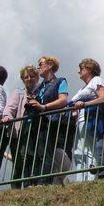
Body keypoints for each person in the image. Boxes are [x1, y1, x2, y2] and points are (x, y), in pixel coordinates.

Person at [25, 56, 71, 185]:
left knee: (46, 152)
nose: (38, 67)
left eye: (41, 64)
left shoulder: (60, 81)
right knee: (34, 152)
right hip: (36, 122)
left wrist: (44, 106)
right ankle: (33, 182)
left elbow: (63, 100)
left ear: (50, 65)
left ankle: (44, 182)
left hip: (50, 121)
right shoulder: (39, 86)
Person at [69, 58, 104, 181]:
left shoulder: (96, 80)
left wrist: (85, 104)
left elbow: (103, 97)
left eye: (81, 69)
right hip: (79, 120)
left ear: (90, 69)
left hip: (90, 118)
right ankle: (81, 179)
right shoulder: (82, 88)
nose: (79, 72)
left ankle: (91, 178)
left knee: (90, 149)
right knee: (79, 151)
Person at [2, 65, 40, 188]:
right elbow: (10, 108)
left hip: (36, 131)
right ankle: (16, 188)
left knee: (33, 158)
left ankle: (32, 185)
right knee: (20, 161)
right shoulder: (19, 92)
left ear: (37, 77)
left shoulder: (41, 91)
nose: (29, 79)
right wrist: (7, 117)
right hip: (20, 133)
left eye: (32, 76)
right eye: (26, 77)